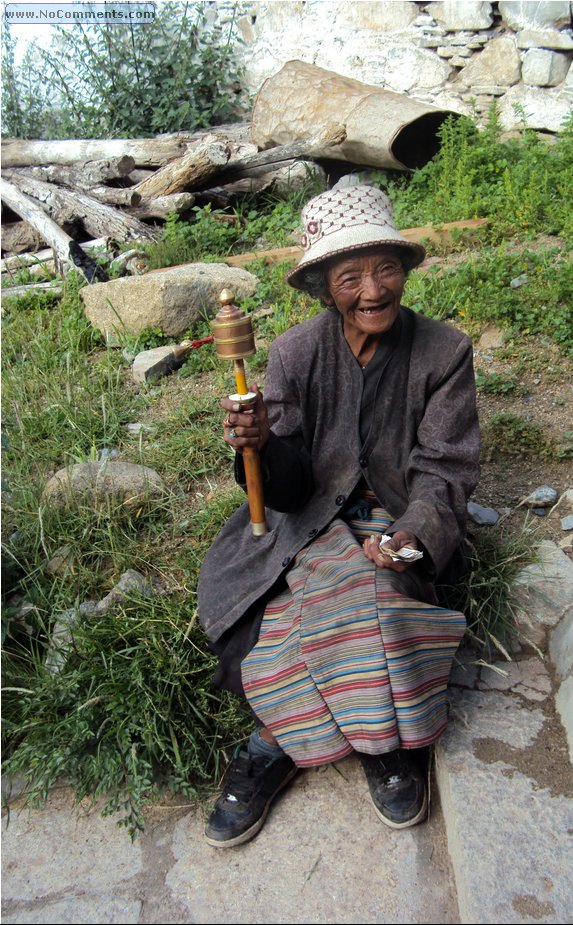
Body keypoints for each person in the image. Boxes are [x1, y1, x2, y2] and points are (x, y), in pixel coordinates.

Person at [197, 182, 480, 848]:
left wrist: (411, 537)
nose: (372, 289)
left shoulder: (444, 352)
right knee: (286, 607)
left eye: (385, 268)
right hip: (309, 521)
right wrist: (261, 446)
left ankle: (380, 742)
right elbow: (288, 489)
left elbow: (445, 470)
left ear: (404, 270)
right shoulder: (296, 352)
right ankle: (276, 742)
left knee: (380, 590)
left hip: (397, 517)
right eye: (349, 276)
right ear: (325, 287)